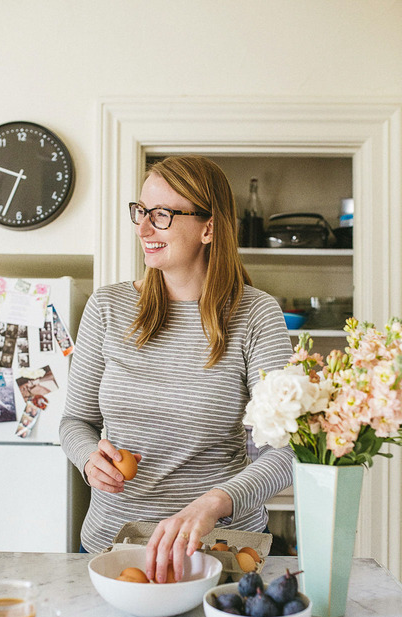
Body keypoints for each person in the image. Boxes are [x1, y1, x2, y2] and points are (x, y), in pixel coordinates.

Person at [59, 155, 293, 583]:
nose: (144, 229)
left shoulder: (256, 315)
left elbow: (285, 452)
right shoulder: (107, 308)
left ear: (208, 227)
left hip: (218, 553)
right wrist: (89, 457)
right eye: (141, 212)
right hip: (113, 548)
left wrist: (216, 502)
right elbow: (76, 421)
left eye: (162, 215)